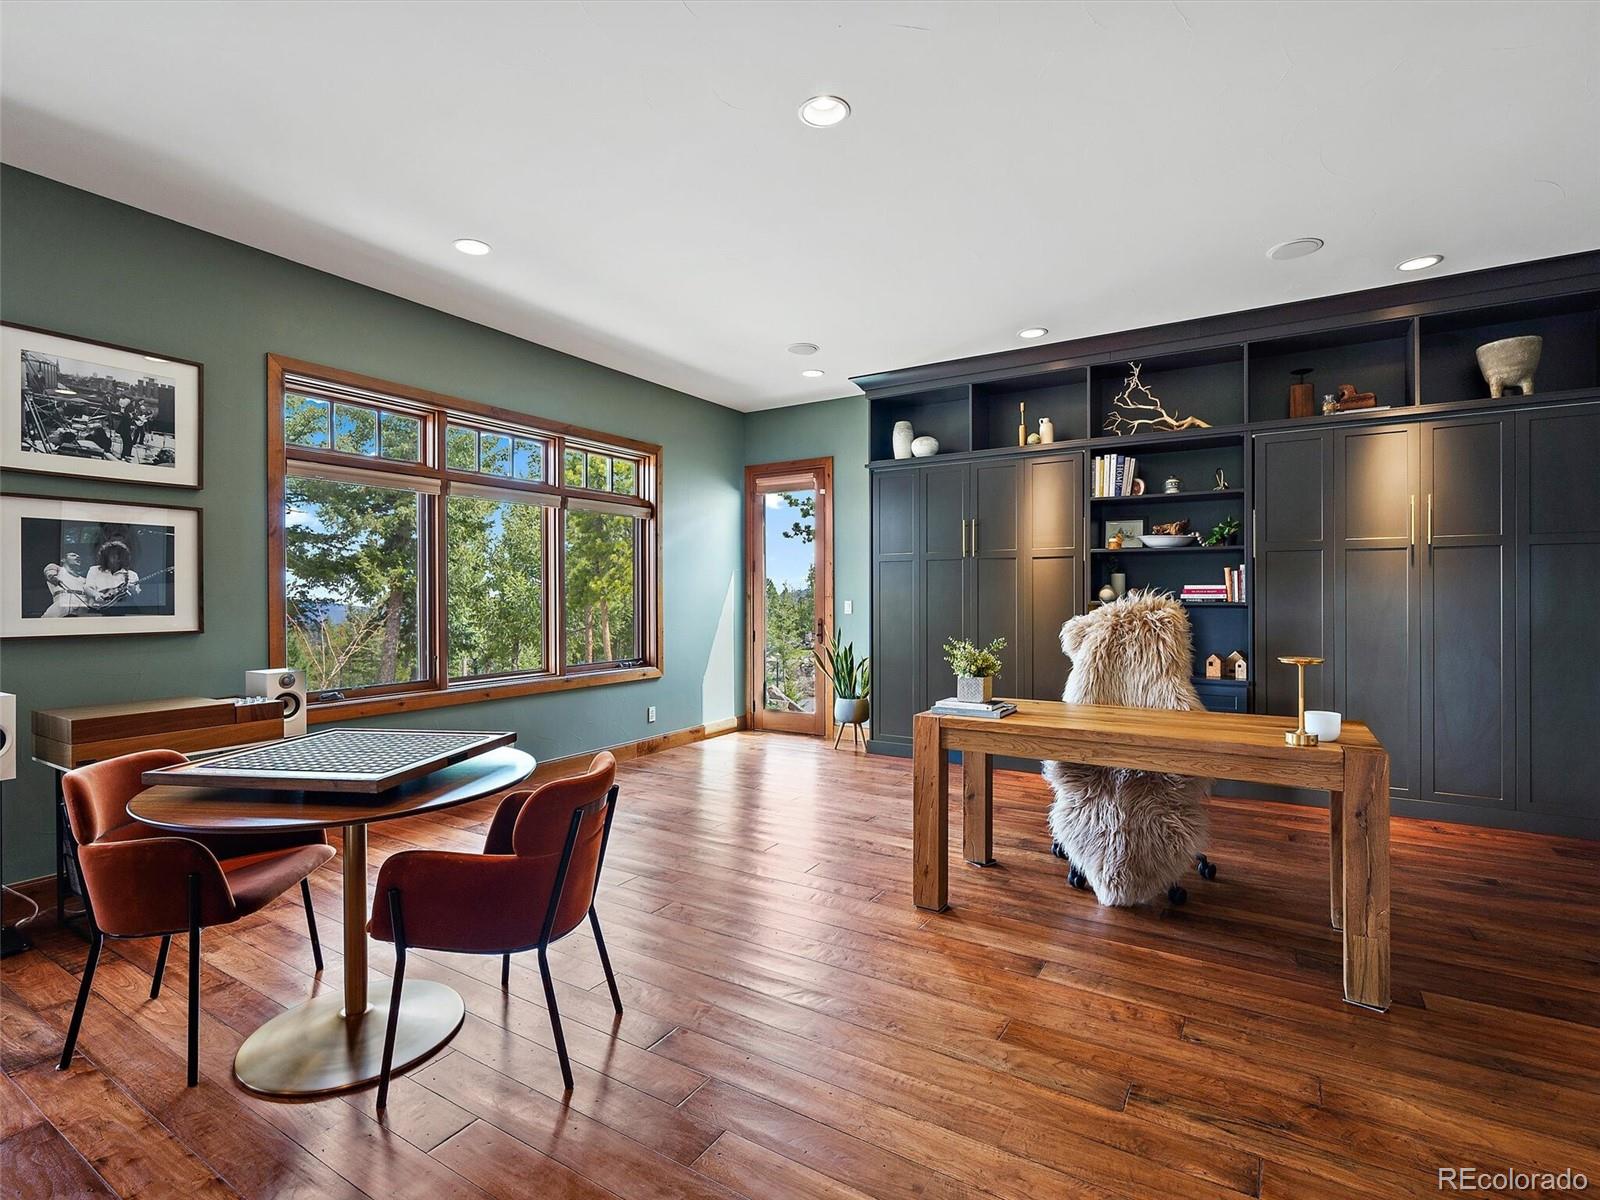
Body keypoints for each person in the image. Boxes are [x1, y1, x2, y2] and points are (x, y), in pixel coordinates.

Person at [85, 538, 140, 608]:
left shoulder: (132, 575)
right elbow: (87, 588)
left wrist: (132, 589)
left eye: (120, 555)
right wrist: (96, 594)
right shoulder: (94, 570)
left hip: (123, 610)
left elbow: (136, 594)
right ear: (105, 557)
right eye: (113, 555)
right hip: (98, 610)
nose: (117, 558)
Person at [42, 550, 90, 616]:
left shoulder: (84, 579)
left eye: (79, 556)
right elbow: (50, 572)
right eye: (73, 555)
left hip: (82, 607)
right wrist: (51, 574)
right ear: (63, 560)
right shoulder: (58, 570)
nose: (78, 557)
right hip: (62, 605)